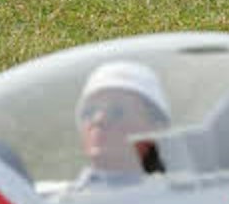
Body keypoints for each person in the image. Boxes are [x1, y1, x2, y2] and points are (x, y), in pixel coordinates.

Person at [69, 61, 171, 192]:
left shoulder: (182, 196)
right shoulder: (57, 200)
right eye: (89, 112)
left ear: (156, 127)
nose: (98, 120)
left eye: (116, 112)